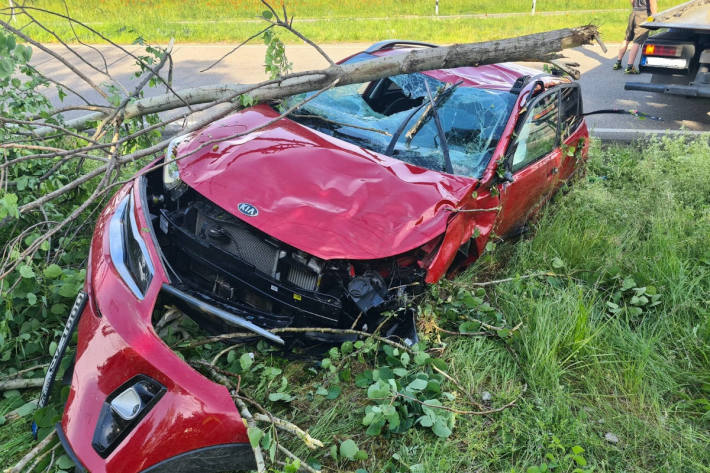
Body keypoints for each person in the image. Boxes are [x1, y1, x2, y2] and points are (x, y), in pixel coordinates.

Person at [613, 0, 658, 74]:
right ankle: (629, 67)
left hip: (634, 12)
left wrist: (636, 9)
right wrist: (654, 17)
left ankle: (618, 63)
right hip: (644, 14)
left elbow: (631, 1)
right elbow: (652, 4)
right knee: (637, 40)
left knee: (627, 38)